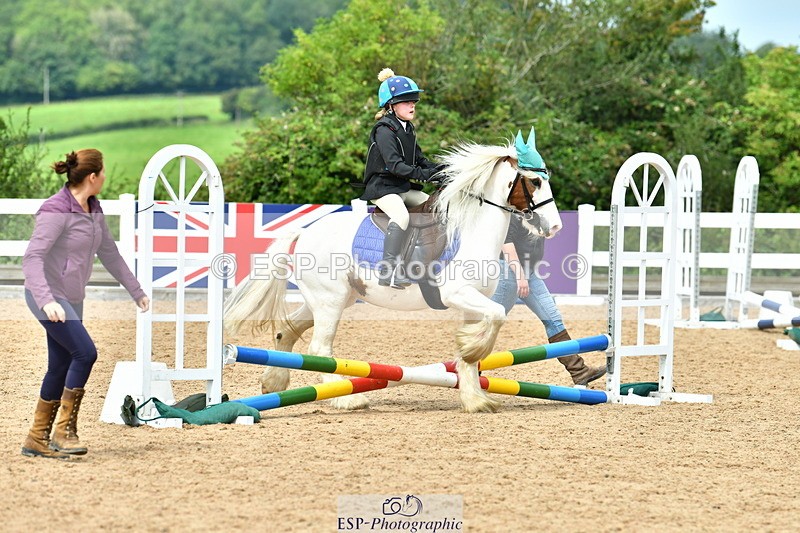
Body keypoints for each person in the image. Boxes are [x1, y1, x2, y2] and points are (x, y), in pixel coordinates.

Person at [21, 149, 150, 460]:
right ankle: (64, 432)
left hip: (72, 299)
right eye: (103, 172)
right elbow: (32, 258)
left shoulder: (93, 209)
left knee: (60, 365)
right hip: (48, 297)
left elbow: (110, 253)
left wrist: (136, 290)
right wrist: (47, 300)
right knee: (86, 353)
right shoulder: (56, 210)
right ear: (92, 177)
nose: (105, 177)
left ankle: (37, 439)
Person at [492, 214, 606, 386]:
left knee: (553, 319)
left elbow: (548, 232)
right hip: (510, 272)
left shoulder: (535, 213)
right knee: (492, 321)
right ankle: (471, 368)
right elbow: (507, 248)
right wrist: (520, 276)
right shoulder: (510, 215)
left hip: (530, 271)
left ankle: (579, 372)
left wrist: (549, 228)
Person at [361, 67, 441, 288]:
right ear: (391, 106)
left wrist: (443, 171)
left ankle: (419, 262)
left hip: (401, 187)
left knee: (434, 207)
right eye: (406, 102)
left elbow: (420, 160)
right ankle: (388, 271)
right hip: (382, 188)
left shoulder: (408, 129)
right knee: (402, 217)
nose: (412, 105)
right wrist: (427, 176)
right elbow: (395, 166)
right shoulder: (384, 130)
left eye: (413, 101)